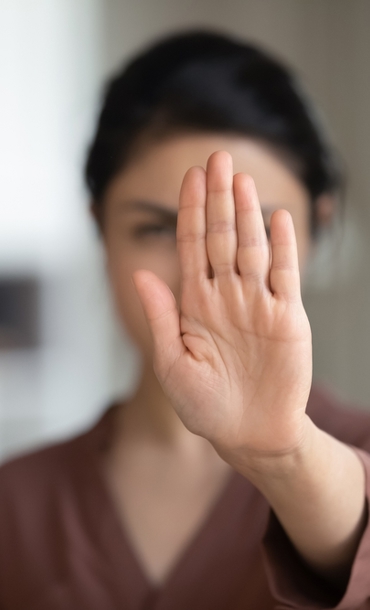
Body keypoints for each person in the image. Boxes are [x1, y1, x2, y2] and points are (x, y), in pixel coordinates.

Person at [1, 30, 370, 610]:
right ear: (100, 230)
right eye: (153, 229)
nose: (199, 276)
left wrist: (284, 453)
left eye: (248, 231)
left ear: (318, 230)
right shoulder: (15, 503)